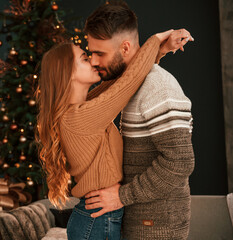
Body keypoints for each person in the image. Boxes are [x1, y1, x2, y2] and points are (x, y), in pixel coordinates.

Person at [35, 19, 192, 239]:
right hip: (97, 220)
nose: (92, 61)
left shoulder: (83, 107)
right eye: (84, 58)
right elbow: (128, 83)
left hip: (100, 216)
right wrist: (155, 40)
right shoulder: (79, 117)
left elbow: (123, 79)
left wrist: (160, 52)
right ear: (68, 72)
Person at [83, 2, 195, 240]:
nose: (93, 61)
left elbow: (180, 162)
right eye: (90, 52)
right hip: (137, 222)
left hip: (156, 228)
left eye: (99, 53)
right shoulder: (132, 83)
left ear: (124, 47)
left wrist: (121, 196)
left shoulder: (159, 86)